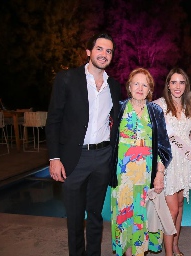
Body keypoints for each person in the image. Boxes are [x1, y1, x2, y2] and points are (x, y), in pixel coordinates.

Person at [45, 32, 121, 256]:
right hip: (73, 159)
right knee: (75, 219)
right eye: (99, 49)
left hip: (103, 158)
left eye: (108, 51)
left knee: (96, 216)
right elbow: (53, 121)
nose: (104, 54)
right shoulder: (67, 79)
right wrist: (54, 158)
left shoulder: (114, 86)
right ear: (89, 51)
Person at [109, 67, 173, 256]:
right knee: (124, 218)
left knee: (141, 219)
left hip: (145, 178)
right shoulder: (118, 108)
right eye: (136, 83)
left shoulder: (155, 111)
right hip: (122, 178)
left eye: (144, 84)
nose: (140, 87)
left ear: (149, 89)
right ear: (129, 86)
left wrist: (159, 174)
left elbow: (163, 146)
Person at [153, 68, 191, 256]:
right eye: (174, 82)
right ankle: (168, 253)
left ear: (185, 85)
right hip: (167, 164)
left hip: (184, 164)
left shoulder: (189, 106)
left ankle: (176, 245)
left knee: (179, 207)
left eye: (181, 82)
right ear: (168, 85)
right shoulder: (159, 106)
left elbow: (189, 135)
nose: (177, 86)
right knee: (171, 211)